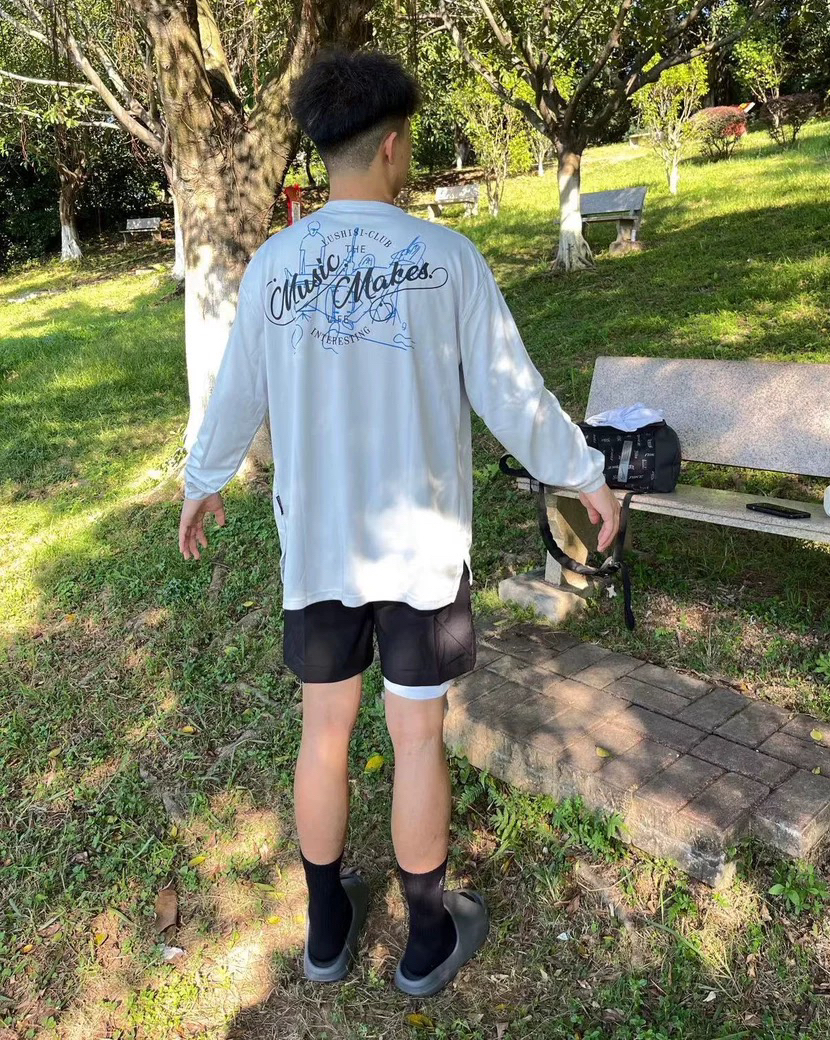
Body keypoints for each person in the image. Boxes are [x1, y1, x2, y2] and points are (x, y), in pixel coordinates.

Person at [178, 50, 619, 996]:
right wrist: (584, 474)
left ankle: (325, 932)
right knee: (416, 735)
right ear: (389, 145)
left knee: (323, 732)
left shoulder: (276, 265)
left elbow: (235, 393)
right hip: (421, 554)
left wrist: (202, 481)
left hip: (318, 550)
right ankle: (424, 938)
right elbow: (512, 394)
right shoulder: (447, 259)